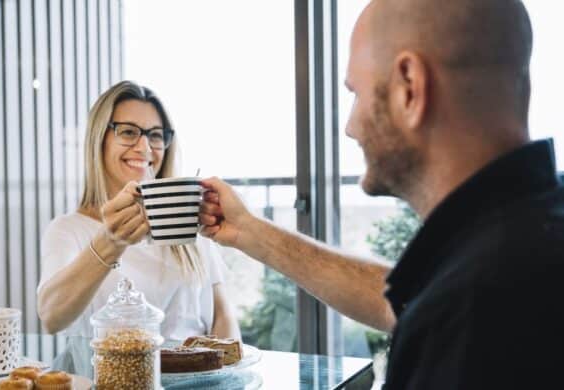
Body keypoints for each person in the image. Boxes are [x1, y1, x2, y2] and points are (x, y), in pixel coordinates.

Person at [199, 0, 564, 388]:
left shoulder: (473, 310)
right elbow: (406, 301)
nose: (350, 128)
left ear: (409, 86)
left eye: (356, 93)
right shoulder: (520, 242)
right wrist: (252, 232)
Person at [37, 80, 240, 343]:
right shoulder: (69, 230)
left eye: (155, 135)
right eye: (129, 132)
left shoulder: (189, 217)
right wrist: (111, 241)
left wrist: (226, 371)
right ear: (100, 139)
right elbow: (51, 317)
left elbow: (223, 315)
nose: (145, 148)